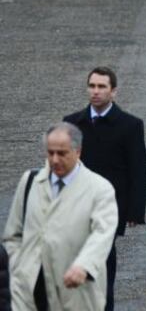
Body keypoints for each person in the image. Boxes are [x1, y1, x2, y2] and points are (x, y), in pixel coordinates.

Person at [3, 124, 117, 311]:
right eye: (50, 153)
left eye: (62, 153)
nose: (55, 160)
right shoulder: (30, 181)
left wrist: (83, 266)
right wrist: (18, 265)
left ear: (78, 151)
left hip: (76, 290)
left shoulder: (99, 189)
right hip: (29, 292)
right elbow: (13, 233)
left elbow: (102, 235)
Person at [62, 66, 146, 311]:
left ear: (114, 91)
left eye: (101, 87)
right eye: (92, 86)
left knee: (102, 263)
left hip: (110, 206)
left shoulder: (130, 125)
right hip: (76, 205)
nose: (96, 91)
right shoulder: (71, 123)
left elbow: (137, 169)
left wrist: (134, 211)